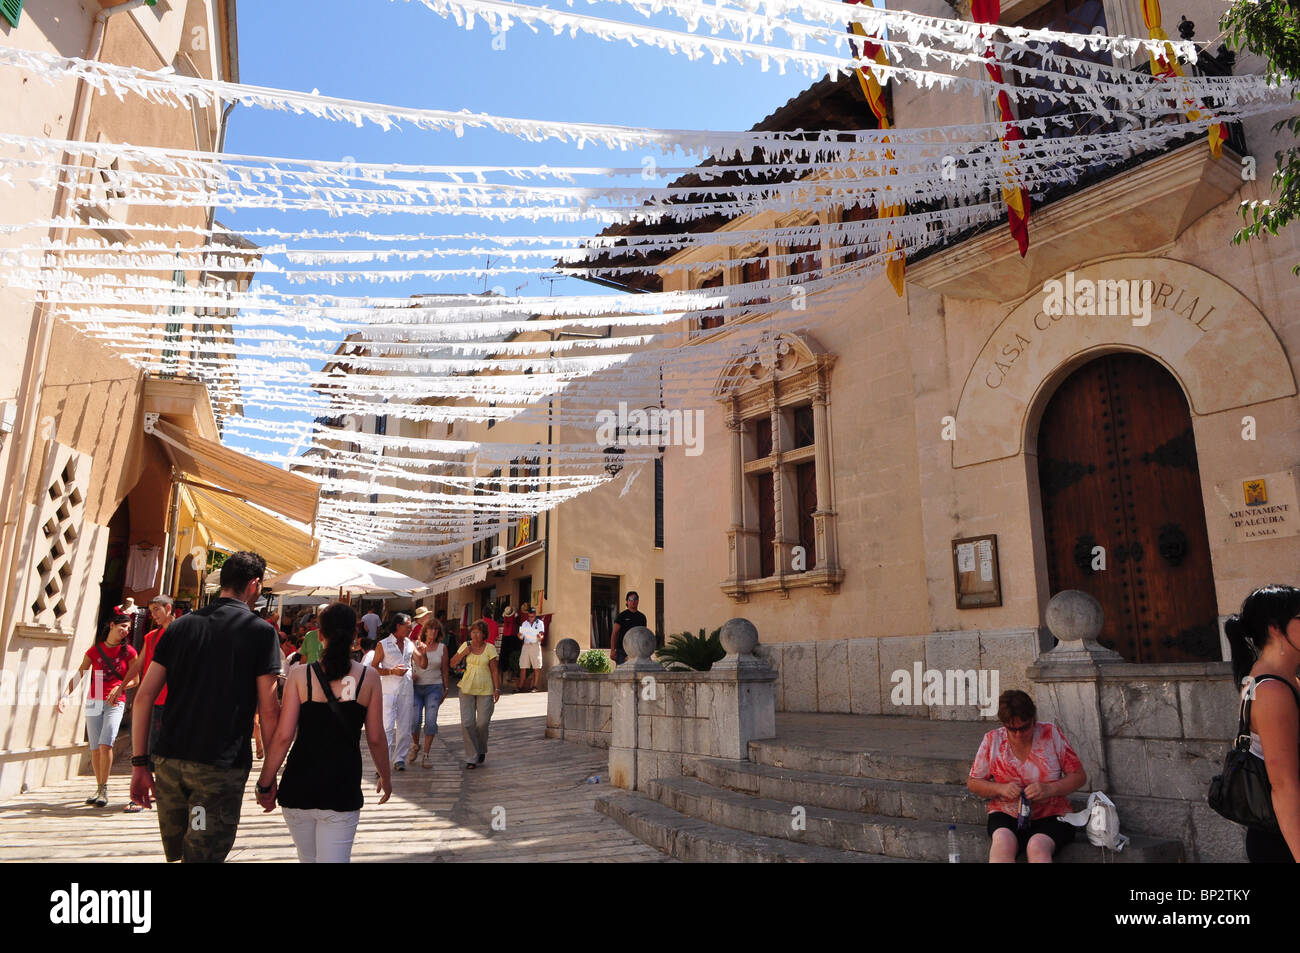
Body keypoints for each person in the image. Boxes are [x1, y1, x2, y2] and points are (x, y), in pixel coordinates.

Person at [129, 551, 282, 863]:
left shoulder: (179, 628)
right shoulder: (261, 632)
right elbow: (269, 710)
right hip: (218, 769)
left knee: (184, 854)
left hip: (171, 763)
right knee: (201, 856)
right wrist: (268, 775)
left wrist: (139, 764)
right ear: (254, 584)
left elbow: (143, 697)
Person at [255, 602, 392, 863]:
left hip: (298, 785)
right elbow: (376, 738)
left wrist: (265, 782)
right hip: (342, 786)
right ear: (355, 634)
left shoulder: (299, 675)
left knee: (307, 859)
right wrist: (385, 776)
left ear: (319, 635)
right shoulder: (369, 678)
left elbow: (284, 736)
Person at [1224, 584, 1300, 862]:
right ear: (1276, 628)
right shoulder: (1272, 690)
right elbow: (1284, 785)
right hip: (1286, 838)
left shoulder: (1269, 680)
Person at [967, 690, 1086, 863]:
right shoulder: (993, 740)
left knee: (1037, 846)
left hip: (1052, 814)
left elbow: (1079, 776)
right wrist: (1000, 788)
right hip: (1007, 813)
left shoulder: (1050, 734)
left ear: (1033, 719)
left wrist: (1050, 789)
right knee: (1002, 844)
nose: (1018, 735)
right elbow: (973, 782)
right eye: (1011, 729)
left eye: (1024, 728)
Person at [59, 604, 139, 808]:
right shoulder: (95, 650)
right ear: (112, 625)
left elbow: (135, 679)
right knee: (95, 748)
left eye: (128, 629)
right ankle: (99, 786)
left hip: (115, 702)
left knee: (106, 743)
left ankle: (104, 788)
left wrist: (120, 688)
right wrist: (65, 695)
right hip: (94, 701)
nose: (125, 631)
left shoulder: (129, 652)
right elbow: (80, 673)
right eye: (122, 627)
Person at [115, 594, 177, 812]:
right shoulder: (151, 636)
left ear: (169, 608)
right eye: (151, 611)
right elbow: (139, 664)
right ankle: (145, 793)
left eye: (157, 610)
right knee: (145, 748)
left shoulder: (181, 633)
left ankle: (160, 791)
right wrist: (121, 686)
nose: (153, 615)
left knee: (164, 749)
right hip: (152, 700)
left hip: (173, 700)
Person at [450, 621, 500, 769]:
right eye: (473, 632)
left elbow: (494, 670)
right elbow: (452, 663)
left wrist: (497, 689)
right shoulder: (466, 646)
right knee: (467, 723)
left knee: (483, 723)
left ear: (484, 634)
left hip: (485, 689)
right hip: (466, 688)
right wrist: (464, 653)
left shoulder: (490, 648)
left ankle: (481, 748)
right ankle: (471, 757)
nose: (475, 634)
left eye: (478, 632)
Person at [370, 612, 416, 771]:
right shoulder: (383, 644)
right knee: (387, 726)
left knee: (405, 725)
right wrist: (391, 671)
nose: (410, 629)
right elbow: (374, 667)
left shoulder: (410, 643)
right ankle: (382, 764)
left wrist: (423, 652)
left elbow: (421, 662)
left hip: (406, 688)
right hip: (388, 689)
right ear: (398, 626)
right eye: (408, 627)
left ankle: (400, 759)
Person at [410, 625, 450, 769]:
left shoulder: (442, 648)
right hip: (416, 687)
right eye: (430, 629)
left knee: (431, 720)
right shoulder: (415, 645)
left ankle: (426, 754)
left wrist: (446, 687)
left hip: (435, 686)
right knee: (414, 720)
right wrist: (410, 674)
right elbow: (409, 662)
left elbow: (444, 669)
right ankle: (415, 744)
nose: (433, 631)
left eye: (436, 630)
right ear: (425, 631)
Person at [610, 591, 647, 666]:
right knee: (620, 675)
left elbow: (643, 635)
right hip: (622, 651)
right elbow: (614, 634)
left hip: (637, 652)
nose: (633, 601)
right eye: (630, 599)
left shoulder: (642, 617)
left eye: (635, 599)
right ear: (627, 601)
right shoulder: (622, 616)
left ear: (638, 601)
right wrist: (612, 650)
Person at [517, 604, 545, 692]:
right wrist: (519, 636)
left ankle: (534, 686)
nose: (531, 618)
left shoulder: (540, 623)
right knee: (523, 666)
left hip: (535, 645)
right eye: (529, 616)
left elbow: (541, 635)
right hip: (526, 646)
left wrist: (540, 637)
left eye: (532, 616)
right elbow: (521, 637)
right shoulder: (524, 623)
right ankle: (520, 686)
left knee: (536, 667)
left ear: (535, 615)